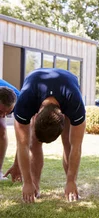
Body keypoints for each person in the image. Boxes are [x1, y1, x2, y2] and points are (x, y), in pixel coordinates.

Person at [13, 68, 86, 203]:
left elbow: (77, 147)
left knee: (68, 142)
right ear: (36, 115)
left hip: (68, 85)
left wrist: (71, 181)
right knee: (33, 143)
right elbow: (22, 145)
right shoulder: (25, 102)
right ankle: (35, 186)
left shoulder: (75, 103)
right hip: (35, 81)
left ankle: (70, 184)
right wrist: (27, 182)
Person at [0, 80, 20, 180]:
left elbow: (24, 138)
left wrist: (17, 164)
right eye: (0, 111)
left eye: (8, 113)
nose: (4, 116)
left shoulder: (21, 103)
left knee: (2, 129)